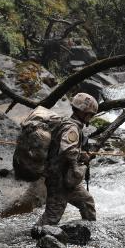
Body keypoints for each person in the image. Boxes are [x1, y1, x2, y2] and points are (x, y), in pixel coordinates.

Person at [38, 93, 98, 225]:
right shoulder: (72, 128)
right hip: (59, 179)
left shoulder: (66, 122)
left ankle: (87, 233)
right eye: (90, 114)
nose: (91, 117)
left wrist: (81, 155)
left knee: (87, 202)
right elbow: (67, 149)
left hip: (65, 177)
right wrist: (78, 165)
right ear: (84, 113)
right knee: (51, 218)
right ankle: (38, 235)